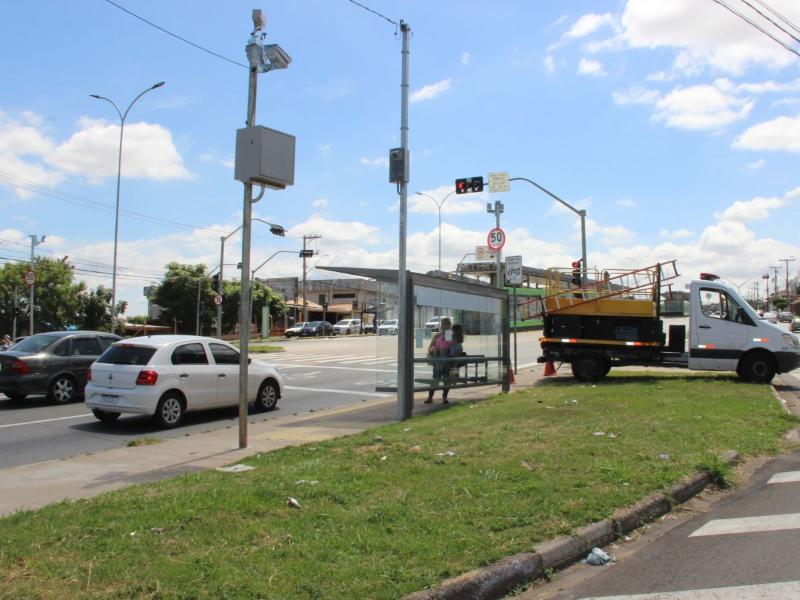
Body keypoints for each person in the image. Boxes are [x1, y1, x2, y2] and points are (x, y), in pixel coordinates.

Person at [425, 317, 452, 404]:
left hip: (447, 362)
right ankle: (430, 397)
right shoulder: (437, 336)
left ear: (450, 325)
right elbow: (430, 347)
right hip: (438, 362)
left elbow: (449, 346)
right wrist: (433, 349)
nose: (445, 326)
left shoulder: (449, 335)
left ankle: (444, 397)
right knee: (435, 380)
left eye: (447, 324)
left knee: (446, 380)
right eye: (443, 324)